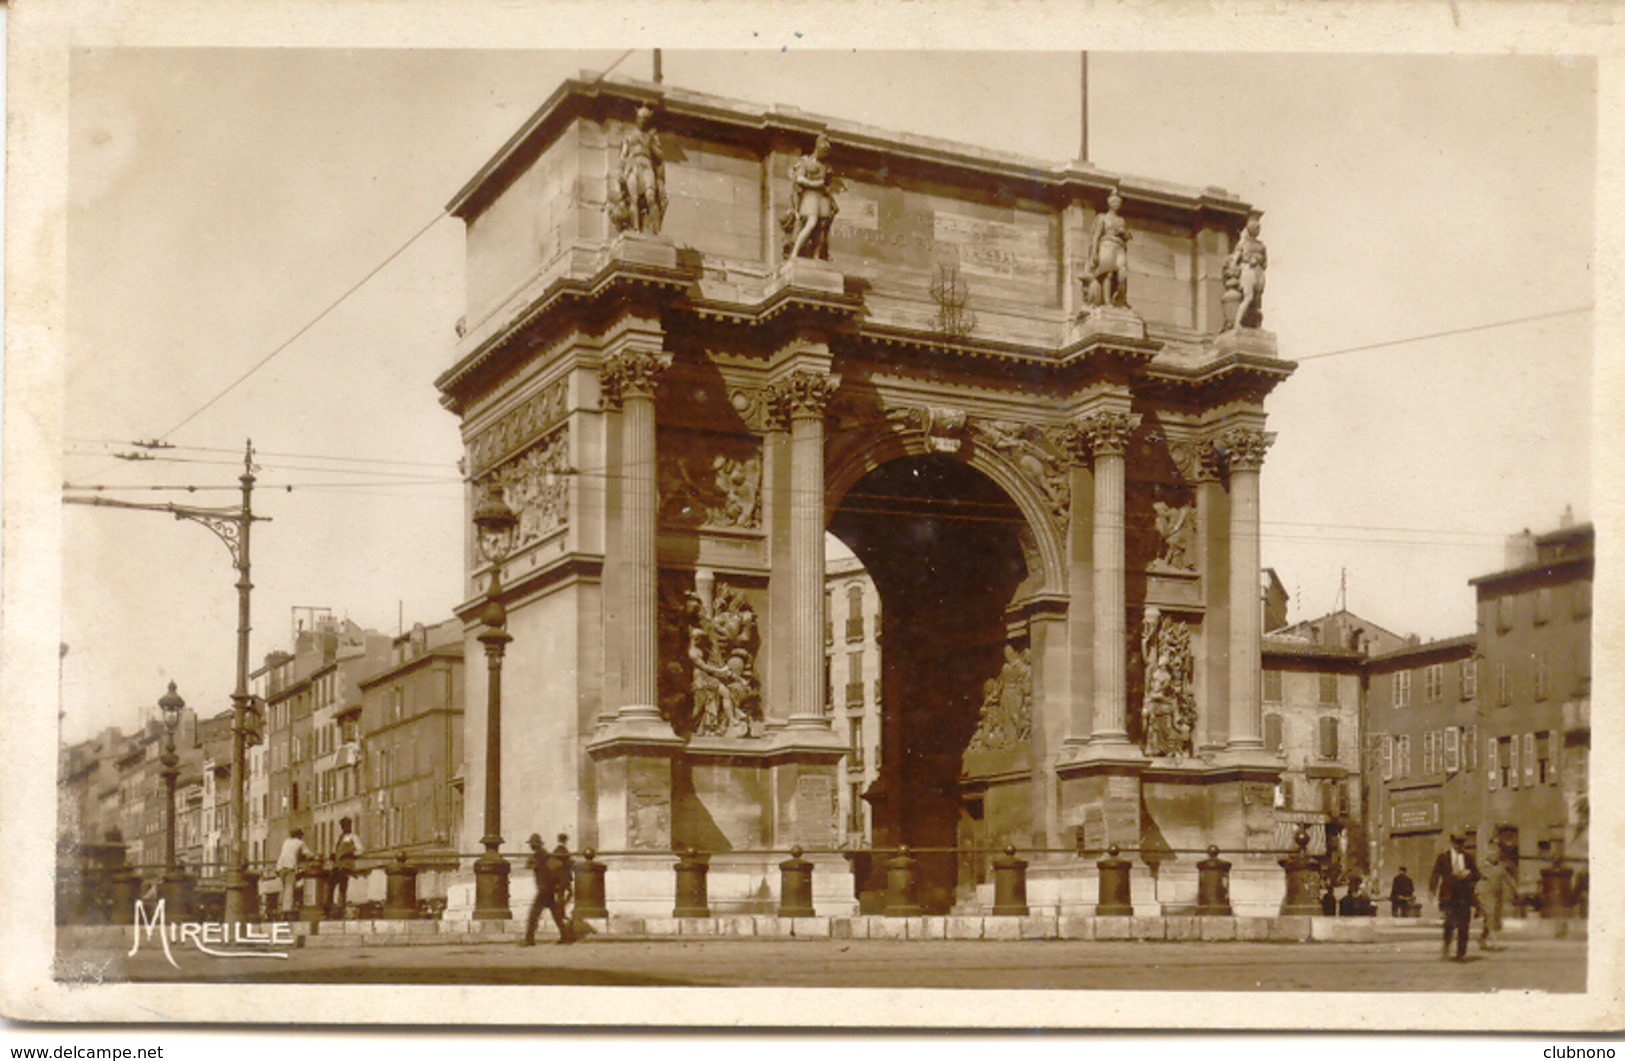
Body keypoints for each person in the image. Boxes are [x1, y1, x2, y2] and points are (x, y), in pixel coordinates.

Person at [785, 135, 840, 261]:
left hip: (822, 197)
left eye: (827, 152)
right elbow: (799, 178)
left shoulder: (825, 166)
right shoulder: (806, 162)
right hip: (810, 195)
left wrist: (832, 201)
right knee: (811, 222)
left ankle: (816, 255)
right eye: (824, 150)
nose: (825, 154)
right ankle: (795, 252)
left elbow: (827, 185)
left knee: (822, 226)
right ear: (818, 148)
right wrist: (814, 184)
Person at [1429, 831, 1480, 961]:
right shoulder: (1443, 857)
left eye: (1462, 843)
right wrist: (1432, 890)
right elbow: (1435, 874)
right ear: (1452, 843)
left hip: (1464, 896)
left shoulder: (1468, 858)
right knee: (1449, 924)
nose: (1459, 846)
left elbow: (1477, 874)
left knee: (1464, 926)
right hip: (1449, 896)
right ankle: (1446, 949)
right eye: (1457, 843)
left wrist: (1468, 873)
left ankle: (1460, 954)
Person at [521, 833, 574, 946]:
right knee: (556, 914)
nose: (531, 846)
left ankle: (529, 939)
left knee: (534, 914)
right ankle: (565, 935)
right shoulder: (545, 855)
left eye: (532, 844)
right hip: (548, 889)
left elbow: (528, 866)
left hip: (544, 889)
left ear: (534, 845)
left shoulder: (539, 855)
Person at [1085, 189, 1131, 308]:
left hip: (1119, 247)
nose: (1116, 204)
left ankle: (1119, 298)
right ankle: (1107, 301)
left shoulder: (1121, 220)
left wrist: (1123, 232)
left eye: (1118, 202)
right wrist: (1094, 252)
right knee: (1108, 272)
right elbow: (1096, 236)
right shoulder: (1102, 217)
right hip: (1106, 245)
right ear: (1109, 203)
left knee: (1122, 273)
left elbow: (1128, 236)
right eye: (1114, 202)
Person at [1477, 852, 1516, 949]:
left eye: (1496, 856)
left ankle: (1482, 938)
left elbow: (1510, 881)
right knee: (1490, 915)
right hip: (1484, 894)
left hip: (1495, 896)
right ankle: (1494, 941)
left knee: (1491, 917)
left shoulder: (1500, 869)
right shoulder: (1483, 867)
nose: (1495, 857)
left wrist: (1515, 892)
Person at [328, 817, 361, 919]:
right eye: (343, 826)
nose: (345, 828)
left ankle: (340, 908)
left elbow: (360, 850)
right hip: (337, 865)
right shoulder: (340, 838)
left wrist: (351, 854)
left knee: (342, 887)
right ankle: (332, 907)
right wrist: (333, 855)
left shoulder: (353, 837)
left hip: (346, 866)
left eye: (347, 825)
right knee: (330, 885)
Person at [276, 828, 313, 917]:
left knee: (283, 889)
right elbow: (309, 854)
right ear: (299, 835)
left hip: (280, 867)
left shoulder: (286, 841)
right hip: (290, 867)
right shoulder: (300, 843)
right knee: (289, 890)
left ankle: (280, 911)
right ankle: (287, 913)